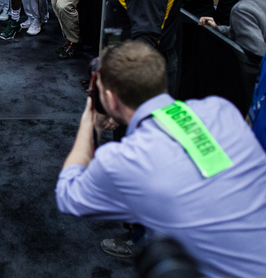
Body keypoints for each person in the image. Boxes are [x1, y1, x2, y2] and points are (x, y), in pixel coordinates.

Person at [56, 40, 266, 278]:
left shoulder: (123, 160)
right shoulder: (220, 110)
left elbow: (68, 194)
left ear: (111, 100)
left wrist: (90, 118)